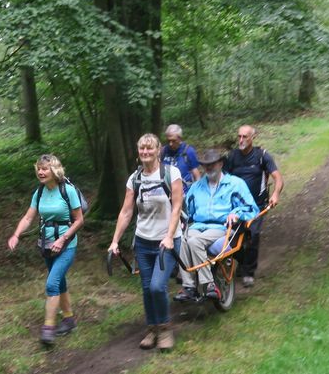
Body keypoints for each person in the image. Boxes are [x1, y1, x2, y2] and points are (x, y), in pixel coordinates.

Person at [108, 134, 183, 351]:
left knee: (158, 287)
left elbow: (177, 207)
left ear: (158, 150)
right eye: (142, 149)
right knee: (146, 288)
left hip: (166, 242)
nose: (145, 152)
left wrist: (169, 236)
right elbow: (126, 211)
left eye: (150, 148)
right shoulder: (135, 179)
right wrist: (115, 241)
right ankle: (152, 329)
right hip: (142, 241)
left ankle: (166, 328)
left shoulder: (171, 173)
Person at [8, 154, 84, 345]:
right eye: (39, 169)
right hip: (47, 245)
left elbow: (79, 220)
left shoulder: (68, 190)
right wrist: (16, 234)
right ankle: (68, 319)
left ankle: (48, 328)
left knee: (51, 284)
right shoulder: (40, 192)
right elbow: (28, 217)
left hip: (66, 245)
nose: (41, 172)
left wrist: (63, 239)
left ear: (54, 170)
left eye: (45, 168)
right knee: (59, 283)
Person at [174, 149, 259, 300]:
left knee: (195, 242)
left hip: (222, 227)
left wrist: (237, 213)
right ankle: (189, 287)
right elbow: (188, 212)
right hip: (197, 226)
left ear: (220, 164)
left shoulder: (235, 184)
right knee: (181, 240)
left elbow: (252, 209)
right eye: (206, 165)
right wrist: (182, 220)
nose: (208, 168)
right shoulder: (196, 187)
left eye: (212, 164)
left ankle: (209, 285)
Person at [225, 125, 284, 287]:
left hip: (257, 205)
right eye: (239, 137)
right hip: (235, 206)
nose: (241, 140)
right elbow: (223, 179)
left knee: (252, 234)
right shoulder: (232, 157)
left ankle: (248, 272)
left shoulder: (262, 156)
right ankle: (243, 262)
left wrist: (276, 194)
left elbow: (278, 178)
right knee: (231, 237)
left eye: (245, 137)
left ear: (253, 138)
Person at [161, 124, 201, 193]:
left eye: (173, 141)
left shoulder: (188, 151)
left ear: (180, 138)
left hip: (184, 193)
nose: (170, 144)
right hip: (165, 193)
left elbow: (196, 175)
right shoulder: (163, 151)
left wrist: (198, 193)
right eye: (168, 141)